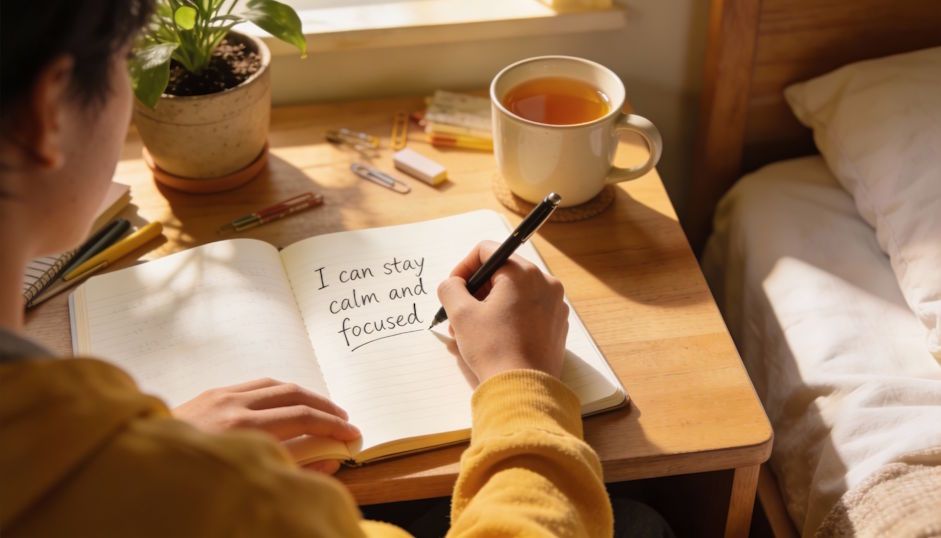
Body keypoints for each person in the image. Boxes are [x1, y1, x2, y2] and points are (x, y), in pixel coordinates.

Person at [0, 2, 672, 536]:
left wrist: (158, 449)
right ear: (47, 115)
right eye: (127, 66)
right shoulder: (232, 503)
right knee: (641, 521)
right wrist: (521, 382)